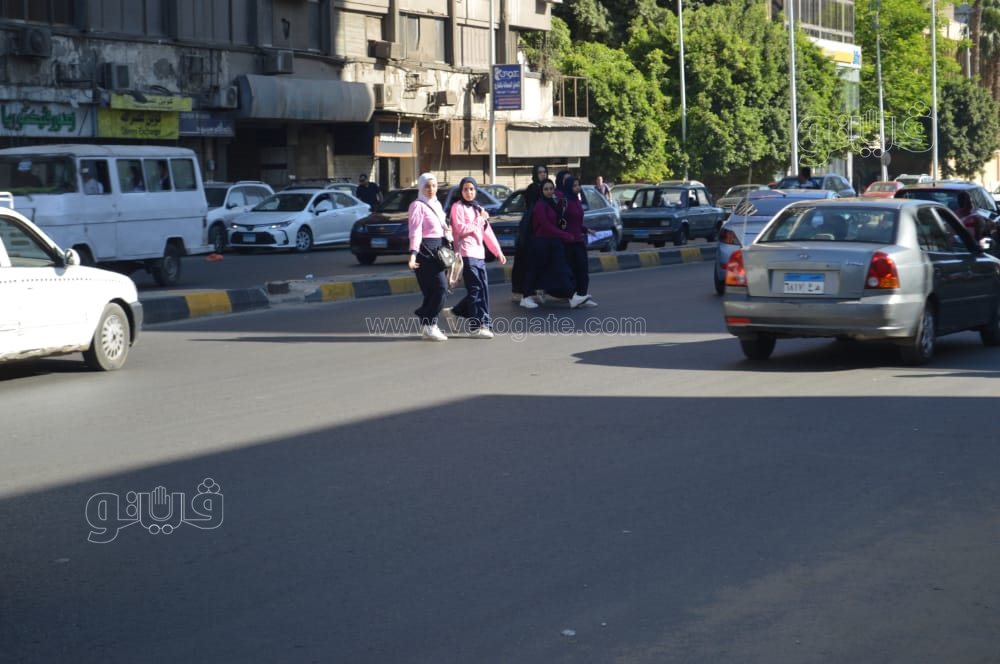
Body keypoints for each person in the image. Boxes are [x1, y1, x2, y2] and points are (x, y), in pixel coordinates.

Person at [445, 176, 506, 338]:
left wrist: (498, 252)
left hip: (479, 254)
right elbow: (461, 229)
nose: (469, 192)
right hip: (465, 253)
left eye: (472, 189)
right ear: (461, 191)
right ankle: (476, 326)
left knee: (482, 290)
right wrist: (480, 220)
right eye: (465, 189)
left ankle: (457, 313)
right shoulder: (457, 207)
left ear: (476, 190)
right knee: (475, 290)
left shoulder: (478, 208)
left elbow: (487, 233)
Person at [408, 172, 452, 341]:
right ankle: (428, 321)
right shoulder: (417, 206)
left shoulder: (437, 204)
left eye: (434, 186)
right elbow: (415, 231)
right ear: (420, 187)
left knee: (432, 291)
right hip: (425, 251)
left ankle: (428, 325)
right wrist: (413, 254)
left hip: (439, 250)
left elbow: (443, 228)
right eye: (427, 186)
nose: (431, 189)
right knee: (441, 288)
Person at [520, 179, 576, 309]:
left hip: (553, 241)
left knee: (562, 268)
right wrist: (564, 235)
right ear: (542, 191)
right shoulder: (540, 205)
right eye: (546, 189)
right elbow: (546, 225)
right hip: (541, 242)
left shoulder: (552, 203)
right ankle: (526, 297)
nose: (549, 191)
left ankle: (572, 296)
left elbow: (557, 221)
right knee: (535, 269)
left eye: (551, 189)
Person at [558, 175, 597, 308]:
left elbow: (576, 223)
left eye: (578, 185)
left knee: (583, 270)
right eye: (574, 185)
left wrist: (586, 230)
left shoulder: (577, 201)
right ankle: (573, 297)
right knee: (572, 271)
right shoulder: (564, 202)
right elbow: (561, 222)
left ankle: (582, 296)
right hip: (568, 242)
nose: (577, 187)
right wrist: (565, 234)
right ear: (569, 187)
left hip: (578, 240)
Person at [511, 164, 548, 302]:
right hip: (531, 229)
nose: (543, 174)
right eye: (540, 172)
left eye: (544, 172)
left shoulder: (548, 188)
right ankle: (525, 292)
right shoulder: (533, 188)